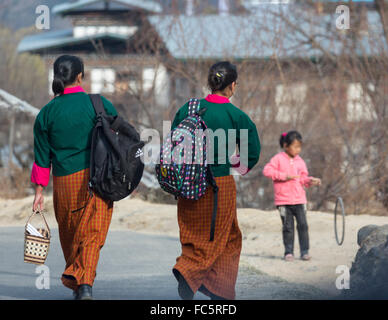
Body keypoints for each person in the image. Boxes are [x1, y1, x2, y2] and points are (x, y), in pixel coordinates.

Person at [170, 61, 261, 300]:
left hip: (187, 183)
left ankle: (218, 290)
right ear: (232, 86)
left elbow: (174, 143)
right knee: (220, 237)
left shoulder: (187, 109)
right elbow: (251, 154)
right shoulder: (236, 115)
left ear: (210, 83)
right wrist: (233, 166)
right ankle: (187, 274)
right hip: (220, 184)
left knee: (200, 234)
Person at [31, 55, 118, 300]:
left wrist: (39, 191)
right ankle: (84, 283)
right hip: (99, 178)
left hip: (65, 183)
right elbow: (119, 138)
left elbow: (41, 157)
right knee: (92, 233)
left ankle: (80, 280)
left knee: (70, 233)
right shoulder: (99, 104)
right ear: (80, 76)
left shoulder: (46, 113)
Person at [263, 131, 321, 262]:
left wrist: (310, 180)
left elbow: (303, 178)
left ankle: (304, 251)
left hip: (299, 200)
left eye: (299, 146)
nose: (298, 150)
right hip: (283, 201)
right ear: (285, 146)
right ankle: (288, 252)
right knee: (288, 227)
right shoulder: (277, 159)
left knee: (303, 225)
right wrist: (283, 176)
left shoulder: (300, 162)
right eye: (295, 146)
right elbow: (267, 171)